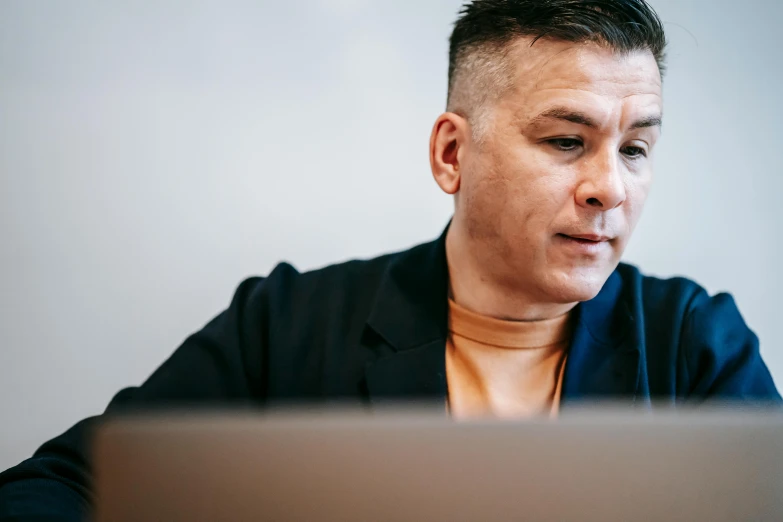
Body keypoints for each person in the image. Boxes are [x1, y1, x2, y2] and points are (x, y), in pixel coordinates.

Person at [1, 0, 780, 519]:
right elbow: (59, 487)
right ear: (451, 154)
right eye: (566, 141)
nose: (608, 187)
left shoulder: (694, 342)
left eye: (636, 147)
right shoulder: (286, 325)